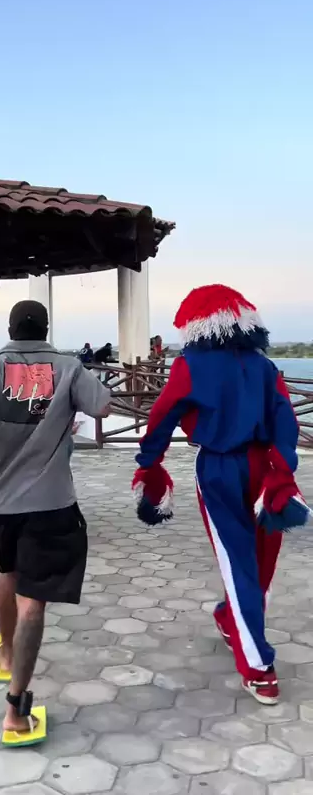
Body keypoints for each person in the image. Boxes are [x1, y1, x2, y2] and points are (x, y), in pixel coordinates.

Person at [133, 284, 307, 706]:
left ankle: (258, 669)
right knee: (260, 561)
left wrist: (150, 462)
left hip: (218, 468)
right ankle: (234, 621)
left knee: (239, 563)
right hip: (267, 470)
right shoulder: (264, 366)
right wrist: (283, 468)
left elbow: (161, 416)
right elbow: (286, 420)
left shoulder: (189, 365)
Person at [0, 300, 110, 741]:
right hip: (51, 504)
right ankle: (15, 713)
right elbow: (102, 407)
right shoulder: (69, 368)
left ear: (10, 329)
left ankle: (5, 653)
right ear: (46, 328)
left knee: (8, 572)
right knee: (33, 602)